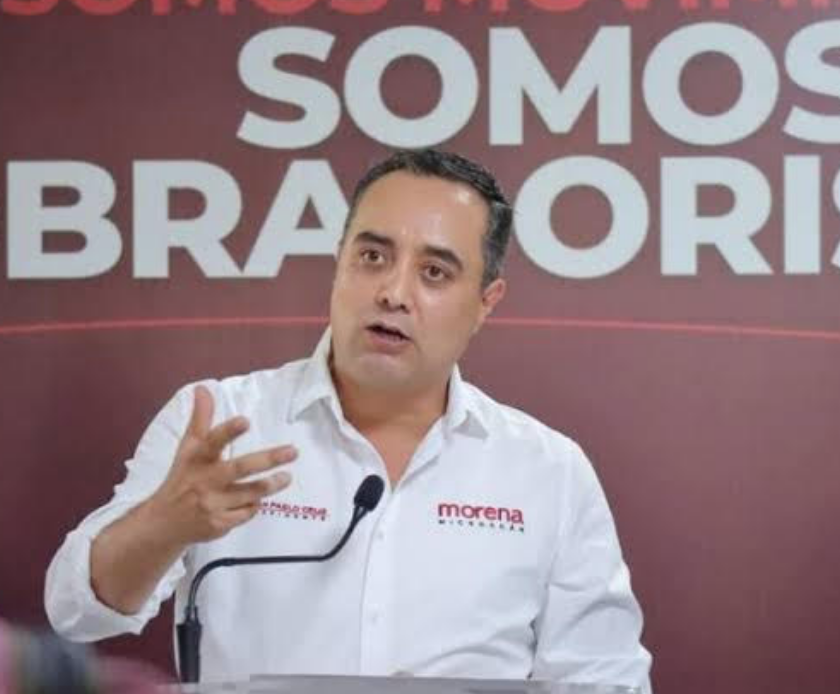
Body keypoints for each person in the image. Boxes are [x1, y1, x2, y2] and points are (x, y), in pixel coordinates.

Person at [45, 149, 652, 690]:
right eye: (372, 256)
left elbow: (605, 680)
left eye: (434, 272)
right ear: (339, 264)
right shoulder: (222, 422)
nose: (393, 292)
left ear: (485, 302)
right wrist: (164, 524)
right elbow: (76, 611)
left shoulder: (548, 471)